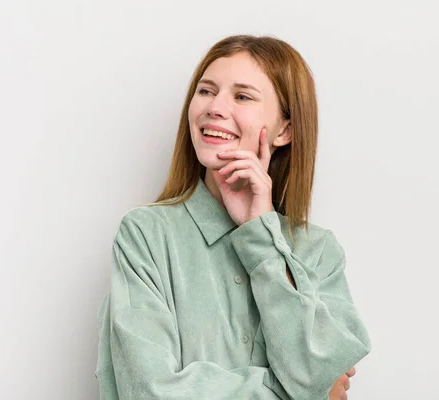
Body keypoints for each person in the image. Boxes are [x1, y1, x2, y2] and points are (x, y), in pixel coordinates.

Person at [95, 34, 371, 400]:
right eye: (206, 91)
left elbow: (318, 370)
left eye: (242, 96)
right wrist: (295, 393)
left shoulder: (319, 251)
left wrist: (262, 236)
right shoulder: (145, 235)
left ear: (285, 130)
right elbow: (148, 391)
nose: (214, 107)